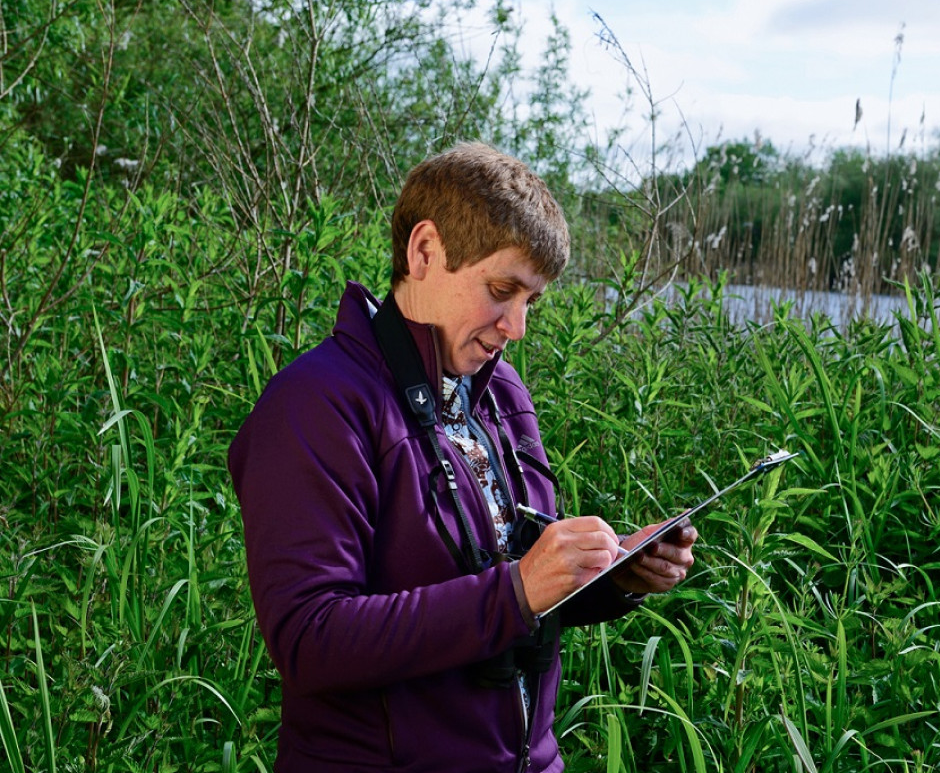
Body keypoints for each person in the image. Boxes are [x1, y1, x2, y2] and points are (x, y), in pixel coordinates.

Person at [228, 142, 697, 772]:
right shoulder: (314, 405)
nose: (517, 326)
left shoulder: (501, 391)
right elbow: (310, 640)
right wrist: (516, 592)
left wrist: (609, 578)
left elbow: (507, 573)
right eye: (503, 290)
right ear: (425, 252)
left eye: (531, 301)